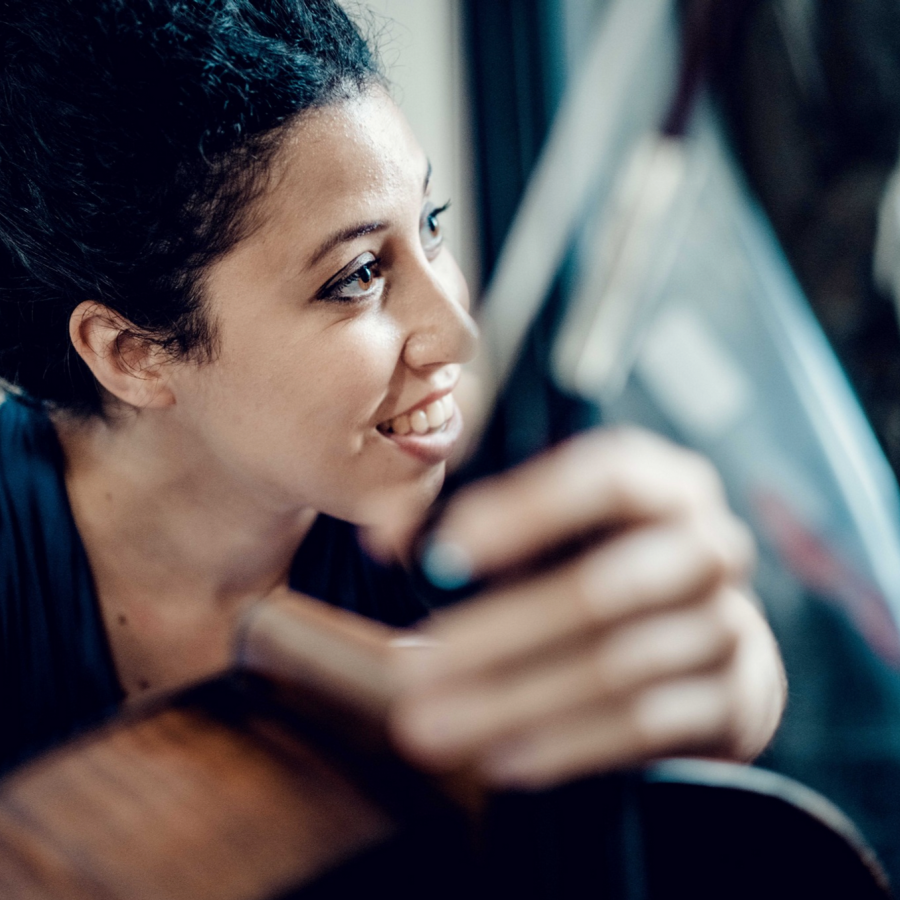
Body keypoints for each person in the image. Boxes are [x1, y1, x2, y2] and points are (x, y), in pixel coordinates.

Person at [0, 0, 784, 789]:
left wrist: (734, 687)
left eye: (431, 224)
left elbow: (691, 681)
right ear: (133, 353)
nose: (458, 332)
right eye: (358, 276)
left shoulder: (489, 507)